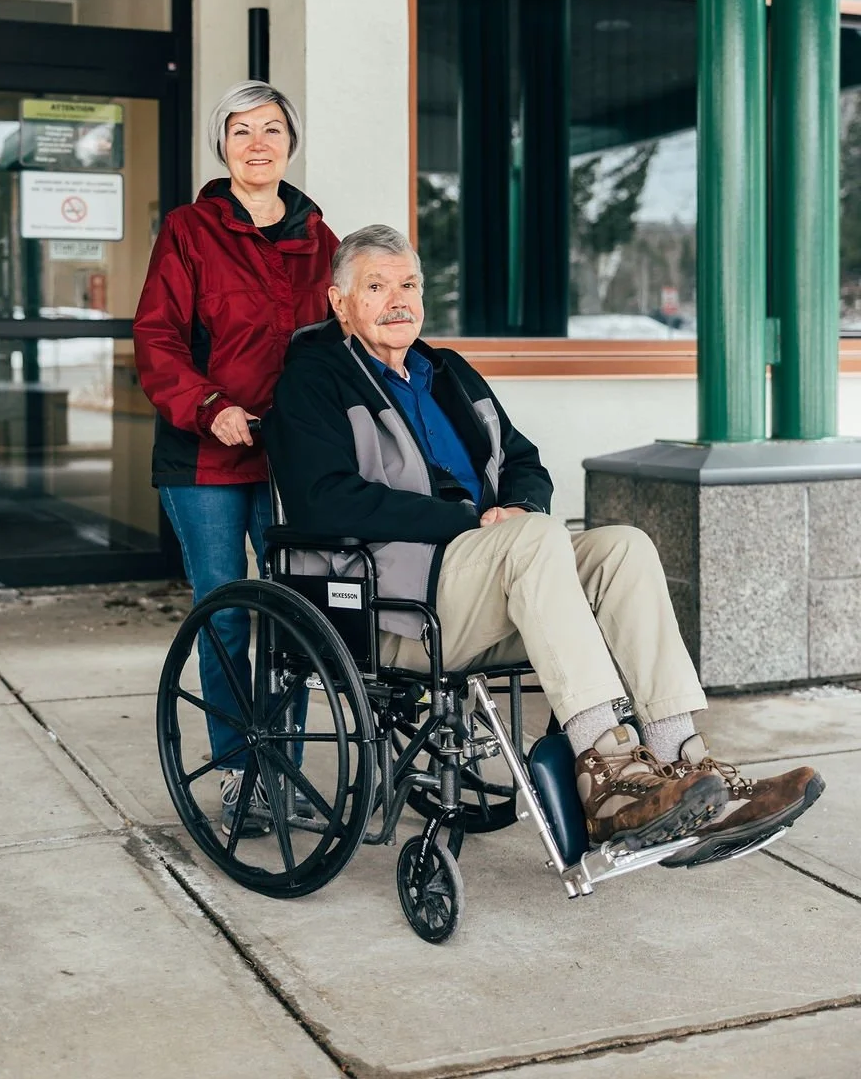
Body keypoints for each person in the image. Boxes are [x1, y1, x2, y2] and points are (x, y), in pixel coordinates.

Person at [263, 224, 825, 863]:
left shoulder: (446, 371)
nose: (399, 299)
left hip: (497, 573)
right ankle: (607, 774)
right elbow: (322, 499)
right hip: (397, 599)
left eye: (410, 284)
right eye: (376, 285)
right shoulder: (314, 381)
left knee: (624, 548)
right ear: (339, 302)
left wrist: (519, 505)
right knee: (533, 541)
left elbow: (525, 460)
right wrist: (469, 522)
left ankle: (683, 768)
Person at [134, 81, 338, 837]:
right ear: (222, 145)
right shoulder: (190, 229)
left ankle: (278, 760)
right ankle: (240, 770)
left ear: (291, 141)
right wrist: (209, 406)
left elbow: (341, 345)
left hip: (291, 462)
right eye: (242, 130)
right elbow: (156, 338)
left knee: (295, 617)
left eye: (272, 128)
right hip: (207, 461)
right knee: (227, 616)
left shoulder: (322, 240)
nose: (258, 143)